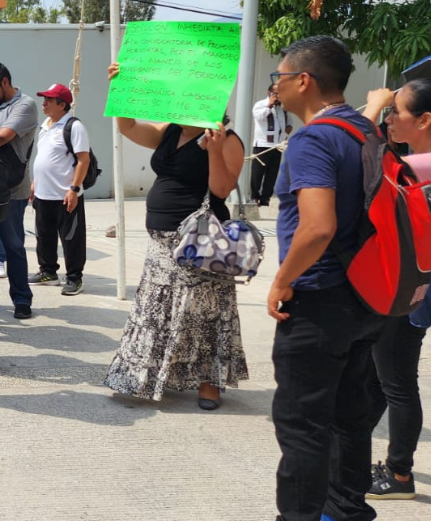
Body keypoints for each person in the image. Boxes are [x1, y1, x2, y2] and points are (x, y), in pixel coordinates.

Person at [231, 36, 386, 521]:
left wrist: (282, 281)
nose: (273, 84)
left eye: (278, 75)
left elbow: (317, 227)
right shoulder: (365, 128)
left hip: (320, 296)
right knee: (350, 412)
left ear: (304, 81)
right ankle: (347, 514)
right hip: (369, 295)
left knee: (302, 420)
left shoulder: (313, 140)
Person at [103, 62, 248, 411]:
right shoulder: (169, 130)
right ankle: (153, 376)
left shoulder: (227, 140)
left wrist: (212, 149)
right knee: (158, 312)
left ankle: (208, 384)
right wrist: (122, 88)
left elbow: (222, 189)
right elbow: (127, 127)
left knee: (203, 315)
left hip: (200, 243)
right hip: (161, 242)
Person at [360, 79, 431, 501]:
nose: (389, 117)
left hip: (407, 290)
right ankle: (351, 452)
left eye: (396, 111)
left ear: (424, 120)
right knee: (377, 377)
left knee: (396, 382)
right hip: (401, 285)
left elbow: (357, 164)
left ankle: (400, 474)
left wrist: (369, 111)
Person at [0, 61, 39, 319]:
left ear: (5, 82)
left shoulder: (25, 105)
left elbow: (1, 137)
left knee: (13, 245)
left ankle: (22, 299)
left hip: (13, 189)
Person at [29, 84, 90, 296]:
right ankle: (48, 272)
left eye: (49, 100)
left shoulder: (73, 126)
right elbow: (44, 157)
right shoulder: (45, 125)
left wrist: (73, 189)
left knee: (71, 239)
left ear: (62, 104)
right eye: (43, 98)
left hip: (65, 195)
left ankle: (74, 278)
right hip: (43, 194)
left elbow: (84, 159)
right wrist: (36, 182)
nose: (43, 103)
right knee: (44, 236)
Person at [252, 85, 293, 207]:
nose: (277, 96)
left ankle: (265, 198)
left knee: (272, 173)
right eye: (275, 93)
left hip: (277, 145)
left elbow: (289, 122)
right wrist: (269, 105)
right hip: (262, 144)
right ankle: (254, 197)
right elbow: (259, 117)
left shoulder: (282, 108)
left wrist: (286, 132)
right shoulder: (260, 105)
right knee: (257, 173)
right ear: (269, 92)